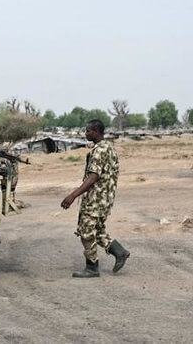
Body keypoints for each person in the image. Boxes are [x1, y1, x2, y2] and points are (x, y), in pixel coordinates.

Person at [60, 119, 130, 278]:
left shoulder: (99, 151)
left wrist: (72, 195)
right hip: (105, 198)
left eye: (88, 131)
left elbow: (93, 177)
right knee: (97, 230)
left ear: (97, 132)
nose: (86, 134)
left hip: (96, 199)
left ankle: (92, 267)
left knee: (86, 231)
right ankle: (120, 252)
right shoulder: (109, 148)